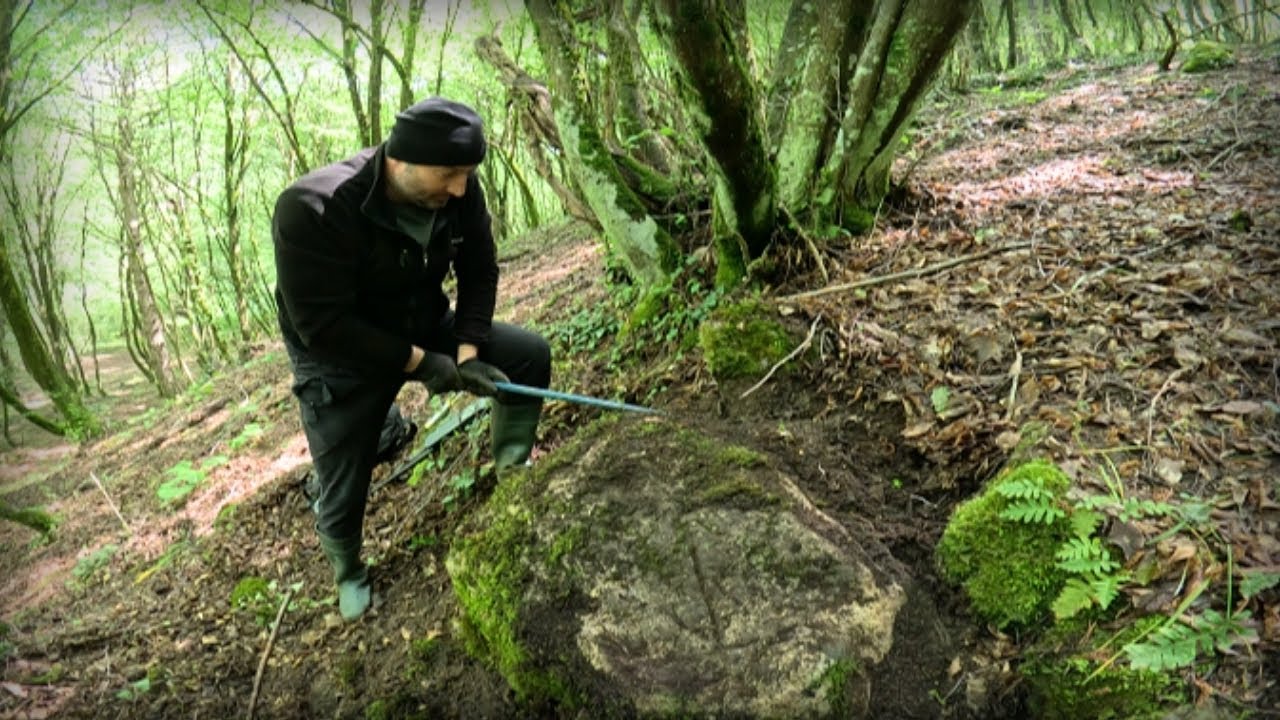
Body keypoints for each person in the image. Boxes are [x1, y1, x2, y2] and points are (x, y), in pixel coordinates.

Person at [271, 97, 551, 621]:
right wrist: (424, 365)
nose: (461, 188)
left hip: (422, 318)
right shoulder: (313, 208)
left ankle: (514, 471)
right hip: (338, 356)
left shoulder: (458, 190)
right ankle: (349, 570)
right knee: (342, 473)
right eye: (449, 174)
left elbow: (479, 267)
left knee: (528, 357)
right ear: (402, 161)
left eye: (467, 174)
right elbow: (324, 326)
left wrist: (465, 353)